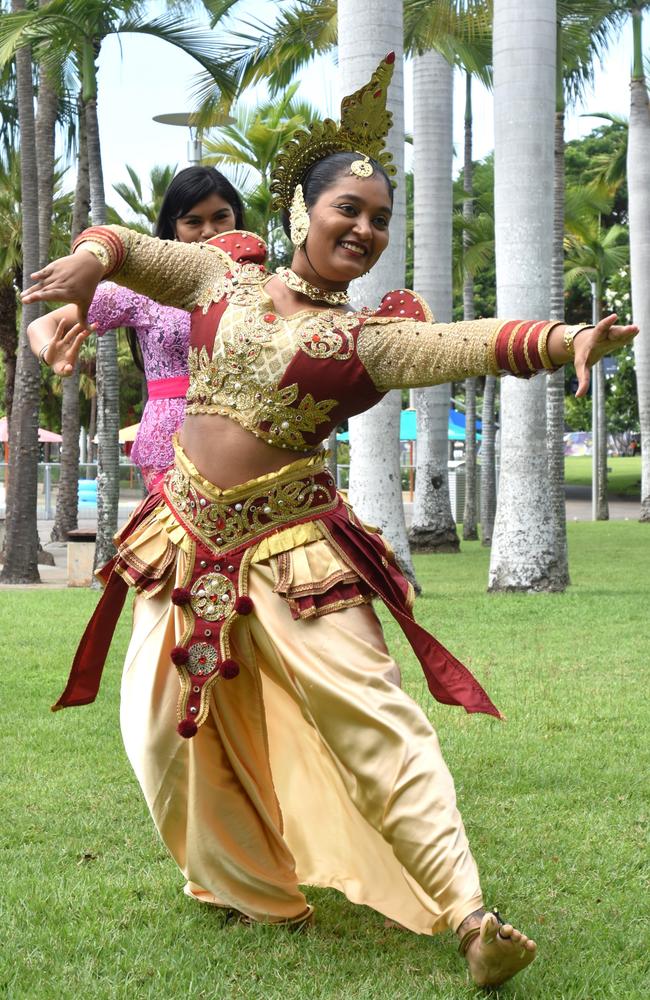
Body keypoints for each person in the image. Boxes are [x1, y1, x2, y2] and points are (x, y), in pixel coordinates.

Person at [23, 55, 637, 989]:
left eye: (381, 219)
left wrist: (564, 341)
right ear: (300, 212)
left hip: (294, 549)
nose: (365, 228)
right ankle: (247, 886)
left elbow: (465, 343)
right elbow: (124, 245)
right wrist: (85, 266)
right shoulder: (220, 279)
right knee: (160, 731)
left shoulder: (369, 336)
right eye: (348, 208)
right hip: (182, 534)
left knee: (374, 717)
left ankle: (471, 917)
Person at [27, 166, 246, 489]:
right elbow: (41, 325)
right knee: (172, 540)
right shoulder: (141, 291)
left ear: (237, 218)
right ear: (174, 227)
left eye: (220, 218)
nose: (208, 232)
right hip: (171, 446)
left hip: (246, 441)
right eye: (193, 222)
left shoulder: (265, 288)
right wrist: (50, 351)